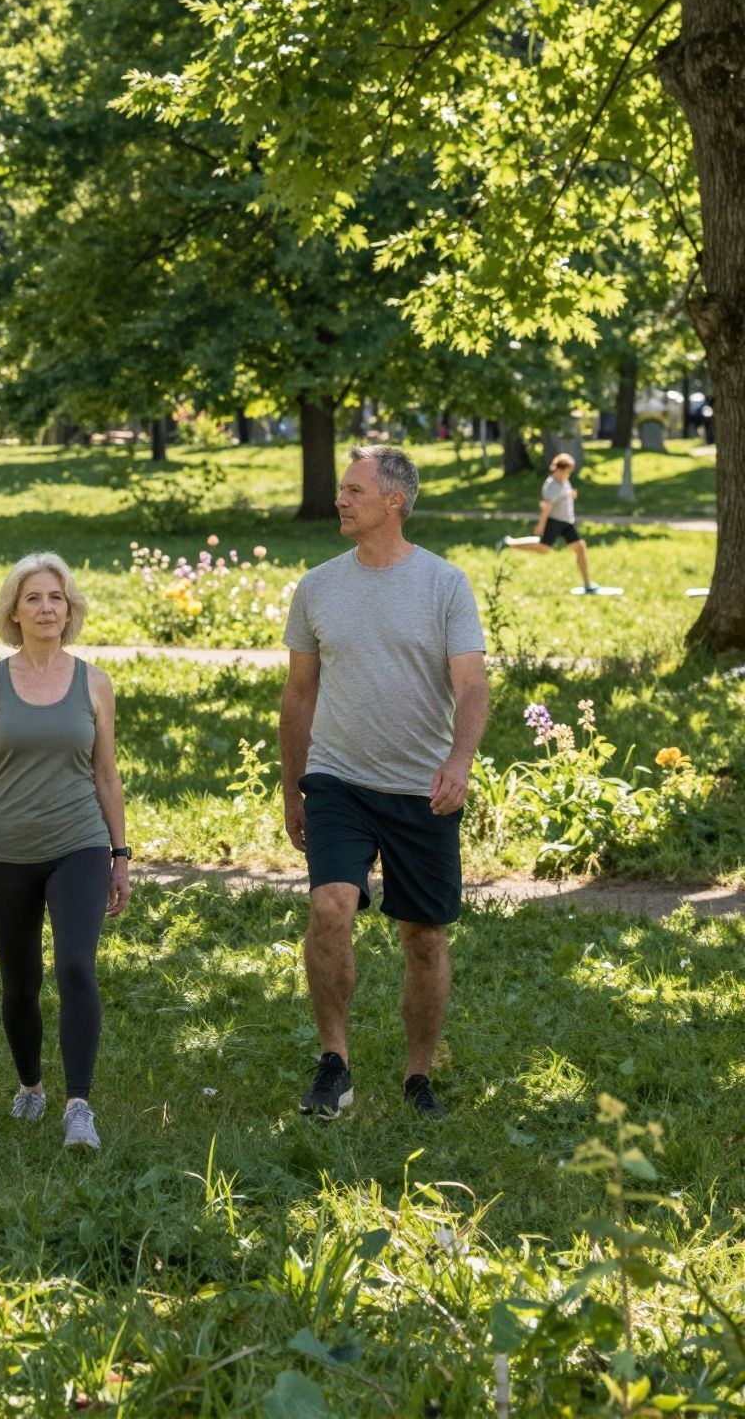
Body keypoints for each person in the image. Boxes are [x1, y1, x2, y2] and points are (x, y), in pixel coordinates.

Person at [279, 446, 488, 1122]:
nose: (339, 500)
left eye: (353, 490)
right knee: (330, 908)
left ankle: (418, 1075)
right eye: (340, 489)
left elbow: (472, 684)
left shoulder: (443, 585)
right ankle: (334, 1064)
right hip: (339, 780)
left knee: (423, 935)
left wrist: (458, 762)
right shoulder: (317, 587)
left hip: (419, 788)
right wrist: (295, 788)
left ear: (394, 502)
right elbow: (299, 696)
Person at [0, 553, 131, 1152]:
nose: (46, 608)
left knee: (77, 965)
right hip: (5, 851)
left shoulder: (94, 682)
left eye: (56, 597)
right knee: (20, 983)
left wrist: (120, 855)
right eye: (33, 598)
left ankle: (78, 1105)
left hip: (77, 844)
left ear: (70, 608)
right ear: (14, 611)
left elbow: (107, 775)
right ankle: (31, 1086)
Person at [496, 452, 596, 592]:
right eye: (566, 471)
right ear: (559, 469)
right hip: (555, 521)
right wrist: (541, 525)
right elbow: (546, 508)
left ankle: (587, 585)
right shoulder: (552, 485)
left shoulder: (563, 480)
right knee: (543, 549)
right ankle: (509, 543)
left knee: (580, 547)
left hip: (567, 522)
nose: (568, 474)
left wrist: (570, 494)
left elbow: (562, 494)